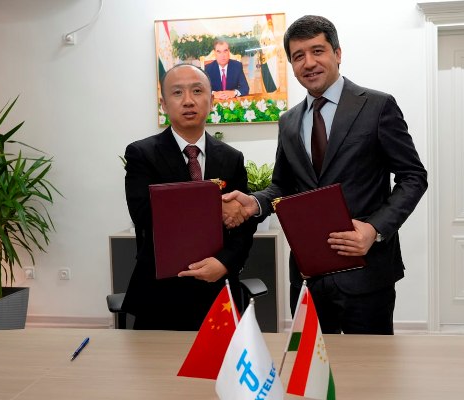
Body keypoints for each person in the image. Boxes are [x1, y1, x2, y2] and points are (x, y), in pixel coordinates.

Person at [222, 15, 427, 335]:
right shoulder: (289, 122)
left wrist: (375, 229)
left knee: (369, 366)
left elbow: (413, 176)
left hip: (367, 274)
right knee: (309, 366)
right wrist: (255, 203)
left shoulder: (377, 106)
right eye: (298, 56)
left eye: (317, 51)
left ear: (337, 53)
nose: (309, 63)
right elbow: (282, 186)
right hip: (308, 278)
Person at [121, 64, 257, 330]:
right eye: (177, 93)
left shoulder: (231, 158)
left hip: (218, 288)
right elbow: (144, 215)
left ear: (211, 100)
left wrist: (224, 263)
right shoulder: (142, 154)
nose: (188, 101)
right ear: (164, 104)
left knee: (222, 357)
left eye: (197, 91)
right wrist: (214, 207)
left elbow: (244, 225)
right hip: (161, 294)